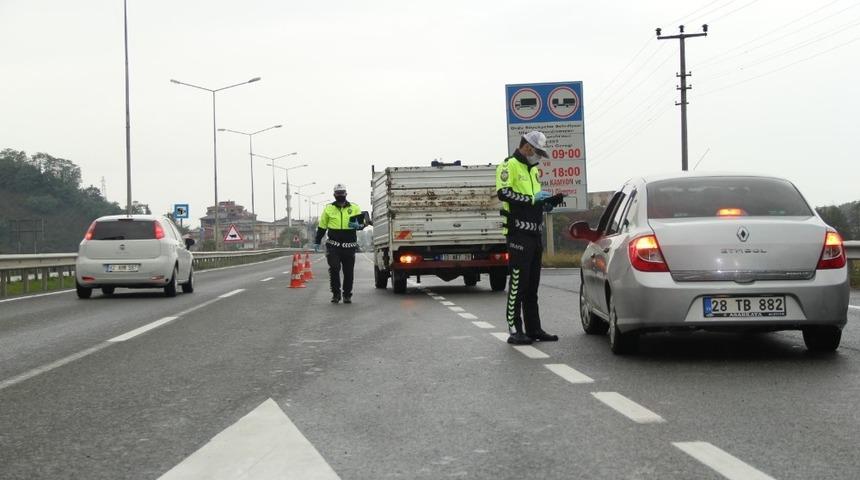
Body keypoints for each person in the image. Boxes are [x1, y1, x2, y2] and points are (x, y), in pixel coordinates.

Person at [496, 131, 565, 344]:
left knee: (532, 286)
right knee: (518, 284)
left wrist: (547, 203)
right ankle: (515, 330)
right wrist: (532, 199)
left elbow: (534, 201)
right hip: (518, 234)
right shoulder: (508, 165)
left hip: (535, 234)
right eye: (538, 152)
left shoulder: (533, 170)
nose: (539, 157)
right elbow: (504, 193)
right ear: (527, 147)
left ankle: (534, 329)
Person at [313, 184, 368, 304]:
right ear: (334, 195)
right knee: (334, 268)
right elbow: (322, 227)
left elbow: (361, 224)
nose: (340, 195)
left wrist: (360, 225)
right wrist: (317, 241)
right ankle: (336, 294)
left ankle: (347, 295)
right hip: (333, 246)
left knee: (348, 272)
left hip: (349, 246)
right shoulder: (329, 208)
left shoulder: (354, 207)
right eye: (338, 193)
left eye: (342, 193)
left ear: (346, 194)